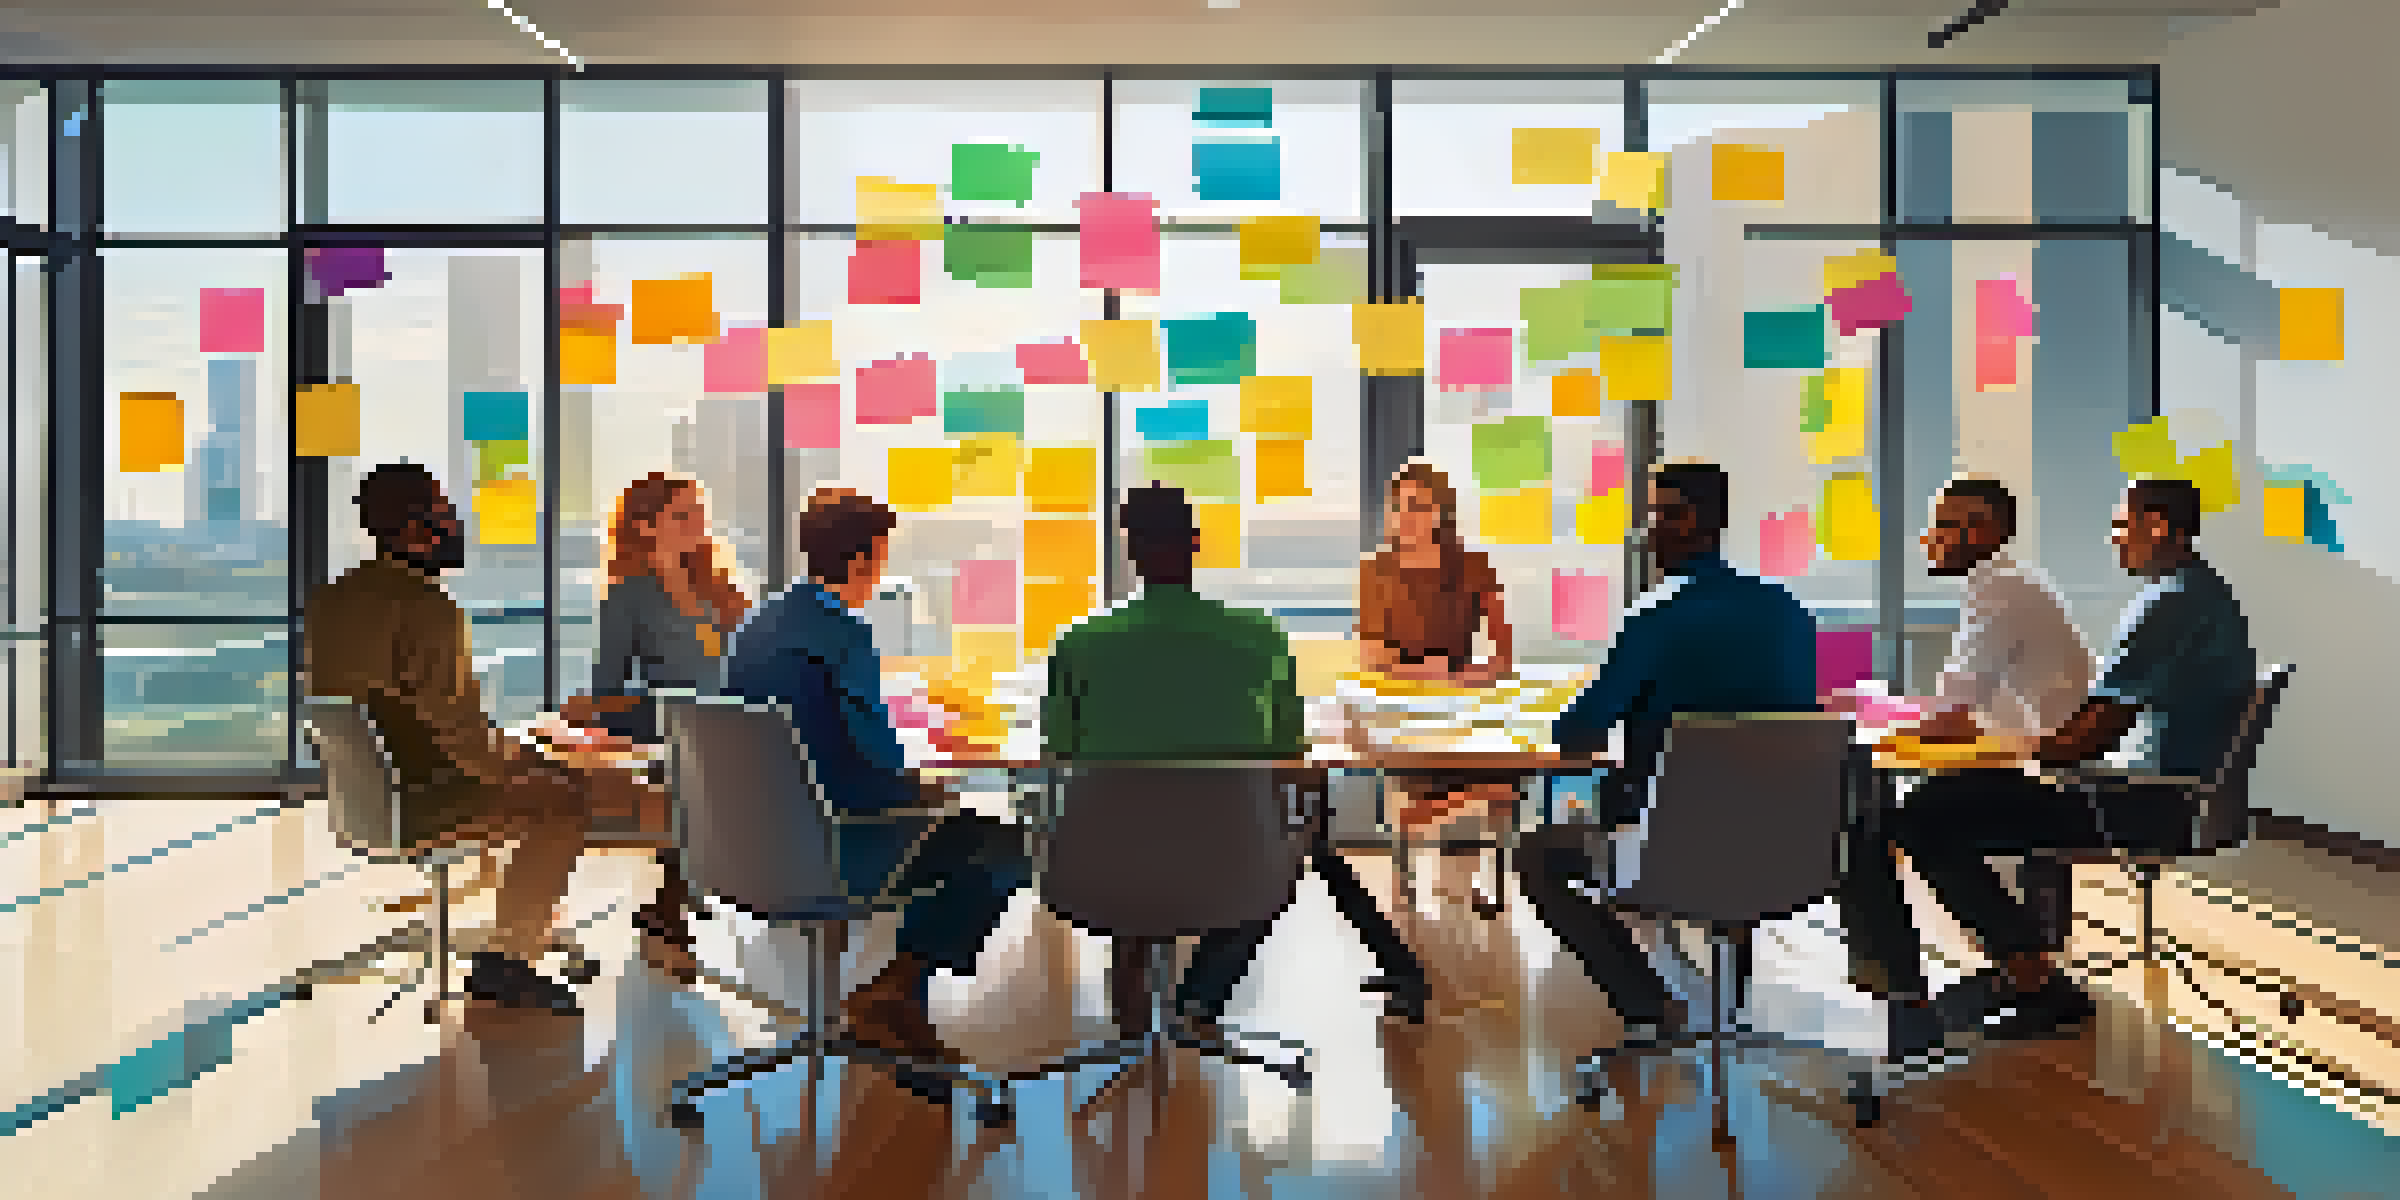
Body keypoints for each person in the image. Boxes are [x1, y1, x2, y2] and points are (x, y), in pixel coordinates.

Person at [1841, 477, 2256, 1041]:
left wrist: (2002, 747)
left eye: (2122, 524)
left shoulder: (2168, 606)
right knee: (1935, 806)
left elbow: (2084, 742)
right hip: (2163, 789)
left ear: (2157, 527)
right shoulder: (2197, 594)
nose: (2115, 538)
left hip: (2143, 800)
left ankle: (2016, 982)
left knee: (1920, 818)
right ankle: (2025, 973)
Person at [1043, 484, 1432, 1031]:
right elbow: (1288, 752)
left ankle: (1137, 973)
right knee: (1303, 836)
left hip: (1102, 864)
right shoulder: (1260, 639)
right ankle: (1200, 997)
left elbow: (1057, 748)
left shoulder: (1080, 643)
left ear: (1131, 552)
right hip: (1233, 864)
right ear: (1196, 545)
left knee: (1138, 824)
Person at [305, 463, 657, 1015]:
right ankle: (509, 961)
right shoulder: (428, 609)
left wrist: (517, 750)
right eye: (446, 514)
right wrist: (536, 754)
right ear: (416, 529)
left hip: (376, 791)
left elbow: (413, 718)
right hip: (425, 797)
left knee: (553, 780)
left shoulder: (334, 599)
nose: (456, 526)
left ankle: (527, 924)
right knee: (563, 800)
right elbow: (464, 745)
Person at [722, 488, 1034, 1065]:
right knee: (1005, 845)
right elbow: (880, 769)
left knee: (954, 828)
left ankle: (888, 996)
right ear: (865, 559)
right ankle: (896, 990)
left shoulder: (756, 625)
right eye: (881, 554)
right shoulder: (845, 635)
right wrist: (932, 787)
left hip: (748, 844)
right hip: (835, 842)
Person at [1513, 462, 1819, 1040]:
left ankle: (1651, 1006)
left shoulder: (1656, 616)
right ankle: (1731, 1004)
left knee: (1537, 854)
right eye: (1653, 515)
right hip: (1788, 847)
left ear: (1704, 522)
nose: (1651, 530)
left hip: (1669, 849)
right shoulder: (1788, 612)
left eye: (1665, 514)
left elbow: (1578, 732)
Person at [567, 471, 752, 982]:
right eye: (683, 515)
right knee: (697, 778)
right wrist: (671, 709)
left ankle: (672, 908)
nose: (699, 524)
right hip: (677, 736)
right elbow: (606, 696)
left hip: (743, 728)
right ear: (646, 528)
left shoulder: (719, 587)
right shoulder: (629, 596)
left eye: (699, 512)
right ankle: (669, 913)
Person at [1356, 462, 1518, 915]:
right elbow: (1371, 656)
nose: (1405, 517)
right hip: (1401, 710)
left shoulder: (1473, 566)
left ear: (1438, 512)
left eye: (1417, 506)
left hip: (1462, 707)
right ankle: (1415, 874)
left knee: (1497, 775)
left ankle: (1475, 879)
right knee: (1418, 784)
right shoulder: (1377, 570)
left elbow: (1502, 657)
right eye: (1398, 507)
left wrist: (1456, 677)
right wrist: (1426, 673)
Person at [1906, 476, 2093, 745]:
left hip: (2037, 769)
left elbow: (1954, 713)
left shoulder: (2003, 590)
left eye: (1943, 525)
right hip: (2025, 758)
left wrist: (1877, 726)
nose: (1927, 537)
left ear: (1984, 531)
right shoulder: (2003, 582)